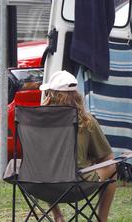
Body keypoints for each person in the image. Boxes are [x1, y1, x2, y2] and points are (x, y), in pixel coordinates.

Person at [40, 70, 116, 222]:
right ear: (77, 96)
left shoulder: (37, 121)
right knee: (112, 166)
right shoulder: (86, 121)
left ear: (51, 96)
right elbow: (107, 156)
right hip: (75, 185)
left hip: (40, 184)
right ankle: (102, 220)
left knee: (45, 167)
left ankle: (57, 215)